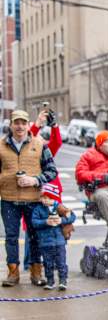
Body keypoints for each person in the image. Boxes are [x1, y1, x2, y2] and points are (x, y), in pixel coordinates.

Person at [0, 109, 58, 287]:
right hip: (9, 199)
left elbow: (51, 171)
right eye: (16, 123)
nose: (20, 126)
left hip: (33, 199)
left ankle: (36, 272)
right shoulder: (1, 145)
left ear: (27, 125)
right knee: (11, 237)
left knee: (34, 237)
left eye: (23, 123)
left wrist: (34, 180)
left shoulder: (39, 144)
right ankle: (13, 273)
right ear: (10, 125)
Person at [31, 182, 76, 291]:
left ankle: (63, 281)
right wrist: (46, 222)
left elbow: (72, 216)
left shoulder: (60, 207)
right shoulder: (38, 209)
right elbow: (34, 222)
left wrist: (62, 220)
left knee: (61, 262)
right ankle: (50, 281)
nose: (44, 200)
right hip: (45, 242)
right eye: (43, 198)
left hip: (59, 241)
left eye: (47, 198)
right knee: (48, 263)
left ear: (53, 198)